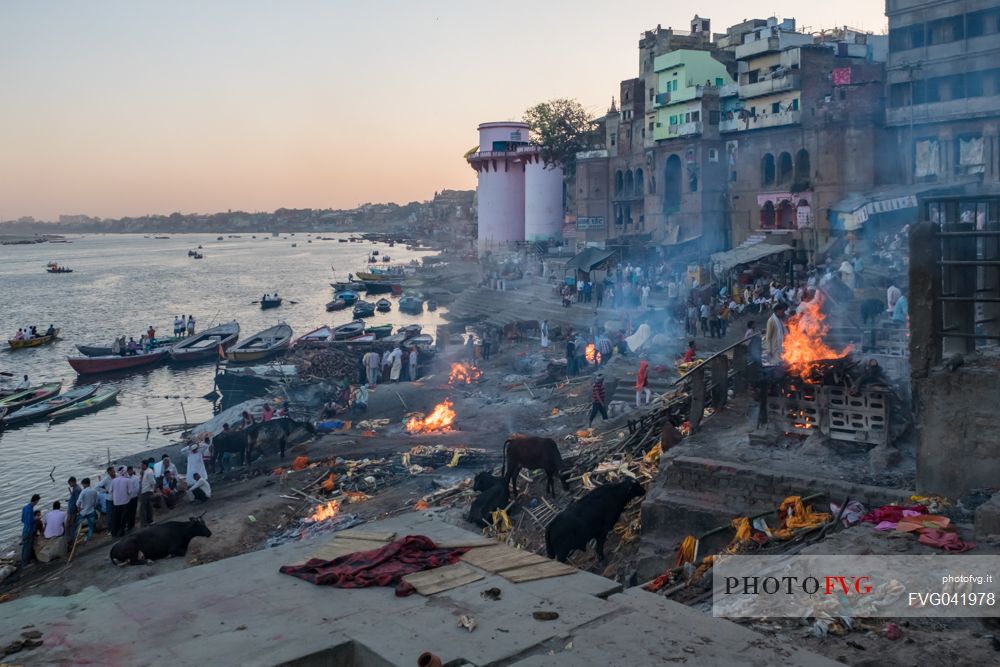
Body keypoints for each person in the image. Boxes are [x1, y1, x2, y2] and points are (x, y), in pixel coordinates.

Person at [109, 467, 131, 537]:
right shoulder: (128, 480)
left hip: (116, 502)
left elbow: (110, 491)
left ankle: (114, 532)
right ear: (125, 472)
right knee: (123, 518)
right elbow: (130, 492)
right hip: (125, 502)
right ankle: (121, 532)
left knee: (116, 518)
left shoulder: (113, 480)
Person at [20, 493, 41, 565]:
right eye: (37, 501)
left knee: (25, 546)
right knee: (27, 547)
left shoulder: (25, 507)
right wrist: (36, 518)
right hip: (29, 531)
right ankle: (25, 563)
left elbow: (23, 520)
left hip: (25, 530)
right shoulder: (30, 509)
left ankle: (25, 560)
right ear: (35, 501)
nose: (37, 503)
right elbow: (30, 521)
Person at [95, 467, 116, 534]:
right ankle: (110, 529)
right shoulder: (106, 479)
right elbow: (97, 487)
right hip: (109, 499)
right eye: (112, 471)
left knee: (117, 513)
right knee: (110, 515)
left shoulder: (117, 476)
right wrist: (105, 491)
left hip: (117, 498)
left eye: (114, 471)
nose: (114, 472)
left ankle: (116, 527)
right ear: (109, 472)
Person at [139, 461, 156, 527]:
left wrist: (152, 490)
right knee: (148, 507)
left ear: (145, 465)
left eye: (142, 465)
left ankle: (144, 523)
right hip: (144, 491)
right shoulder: (144, 472)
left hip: (147, 491)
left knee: (142, 508)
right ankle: (149, 520)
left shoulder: (149, 472)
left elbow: (152, 482)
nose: (141, 466)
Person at [124, 466, 140, 533]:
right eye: (128, 471)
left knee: (133, 512)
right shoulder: (126, 478)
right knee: (128, 512)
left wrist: (131, 495)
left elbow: (136, 488)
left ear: (132, 470)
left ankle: (132, 526)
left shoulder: (135, 478)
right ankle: (129, 525)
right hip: (127, 498)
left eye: (130, 470)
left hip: (133, 497)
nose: (129, 472)